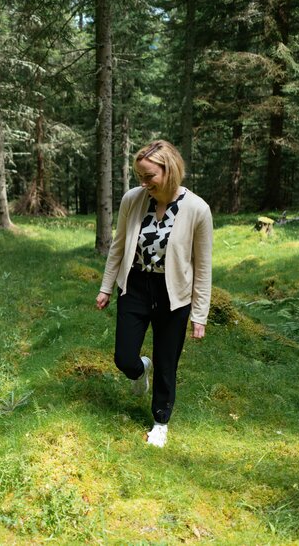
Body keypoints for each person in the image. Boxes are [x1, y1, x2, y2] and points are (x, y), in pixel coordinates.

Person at [96, 139, 213, 448]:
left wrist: (199, 315)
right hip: (134, 286)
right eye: (140, 177)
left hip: (173, 294)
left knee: (166, 362)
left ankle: (160, 421)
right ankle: (139, 369)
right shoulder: (133, 200)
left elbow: (203, 268)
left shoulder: (197, 209)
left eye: (149, 176)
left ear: (169, 170)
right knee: (124, 357)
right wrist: (106, 287)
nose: (144, 183)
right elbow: (118, 247)